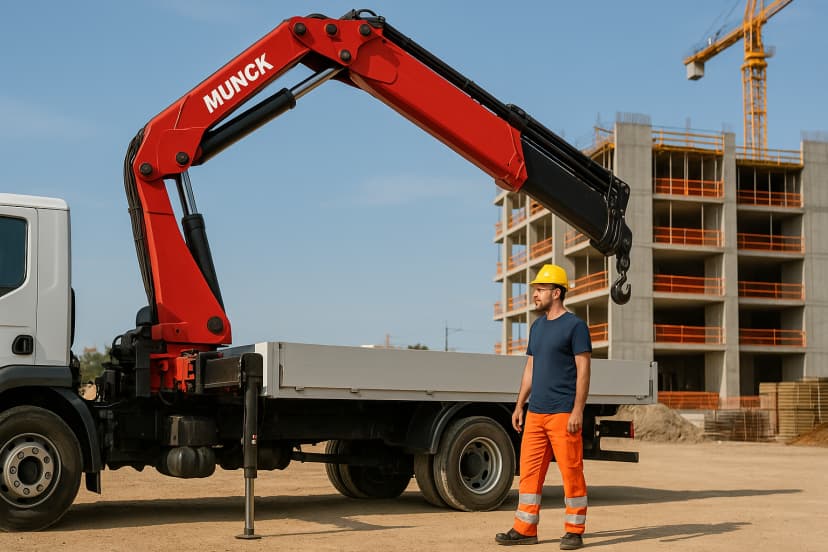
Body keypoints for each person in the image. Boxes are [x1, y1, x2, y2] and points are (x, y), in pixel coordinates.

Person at [495, 264, 591, 550]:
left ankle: (574, 530)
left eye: (540, 289)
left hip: (563, 412)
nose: (534, 294)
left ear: (556, 292)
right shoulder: (537, 327)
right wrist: (519, 404)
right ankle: (525, 529)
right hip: (536, 413)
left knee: (571, 472)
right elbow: (530, 367)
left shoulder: (575, 326)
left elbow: (583, 370)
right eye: (534, 289)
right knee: (529, 472)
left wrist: (577, 410)